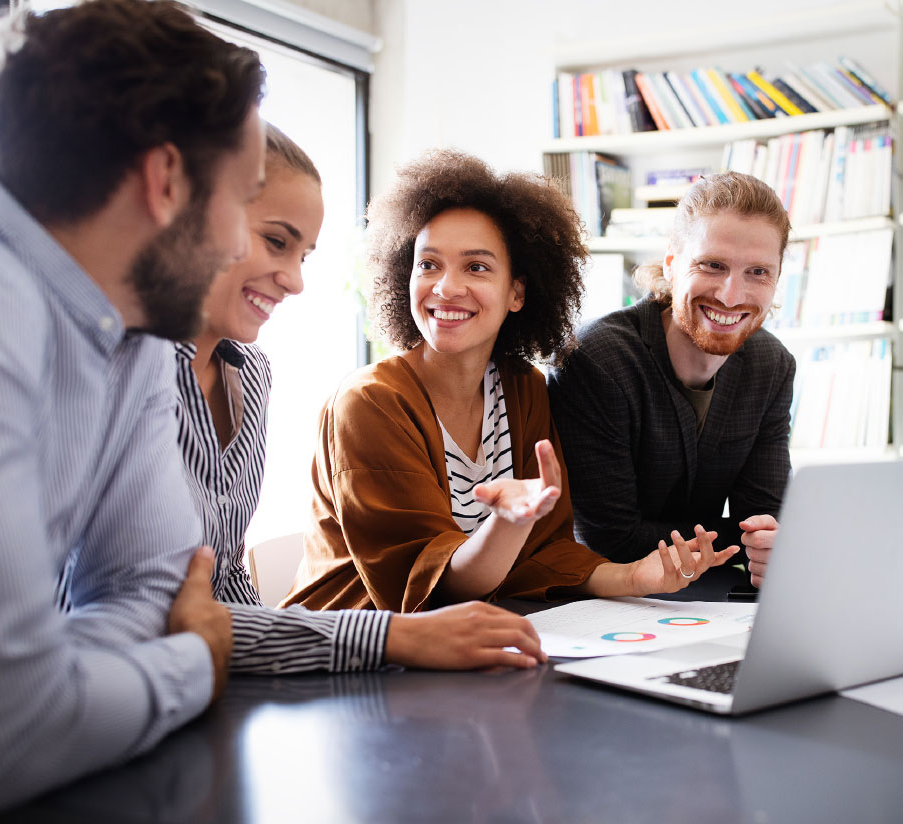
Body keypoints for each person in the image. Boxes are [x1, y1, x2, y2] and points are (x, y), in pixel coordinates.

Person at [0, 0, 264, 817]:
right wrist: (192, 668)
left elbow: (155, 587)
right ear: (166, 180)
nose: (241, 244)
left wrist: (49, 688)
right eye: (243, 199)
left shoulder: (129, 334)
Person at [283, 150, 737, 614]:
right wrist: (507, 524)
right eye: (428, 264)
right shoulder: (369, 405)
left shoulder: (522, 389)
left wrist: (635, 575)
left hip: (455, 646)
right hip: (340, 653)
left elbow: (540, 555)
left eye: (476, 267)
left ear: (517, 292)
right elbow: (433, 591)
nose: (445, 287)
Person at [173, 123, 547, 673]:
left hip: (243, 675)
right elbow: (152, 615)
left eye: (304, 255)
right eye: (277, 241)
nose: (297, 282)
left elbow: (224, 595)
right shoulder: (125, 377)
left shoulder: (249, 374)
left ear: (519, 291)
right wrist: (394, 639)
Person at [547, 171, 794, 588]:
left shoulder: (772, 366)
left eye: (758, 272)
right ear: (671, 263)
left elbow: (765, 518)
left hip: (704, 597)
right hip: (604, 599)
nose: (731, 295)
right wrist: (746, 541)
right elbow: (610, 538)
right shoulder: (597, 359)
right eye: (712, 265)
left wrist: (775, 547)